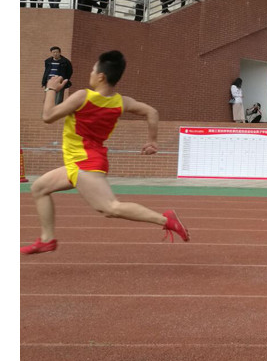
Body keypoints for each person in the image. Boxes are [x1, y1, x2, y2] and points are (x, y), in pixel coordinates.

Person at [21, 50, 190, 255]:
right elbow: (151, 111)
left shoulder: (83, 96)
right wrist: (152, 140)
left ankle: (165, 220)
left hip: (85, 163)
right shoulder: (121, 102)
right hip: (83, 160)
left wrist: (50, 89)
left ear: (101, 76)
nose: (91, 74)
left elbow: (48, 116)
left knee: (110, 208)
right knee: (39, 188)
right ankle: (47, 239)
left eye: (93, 70)